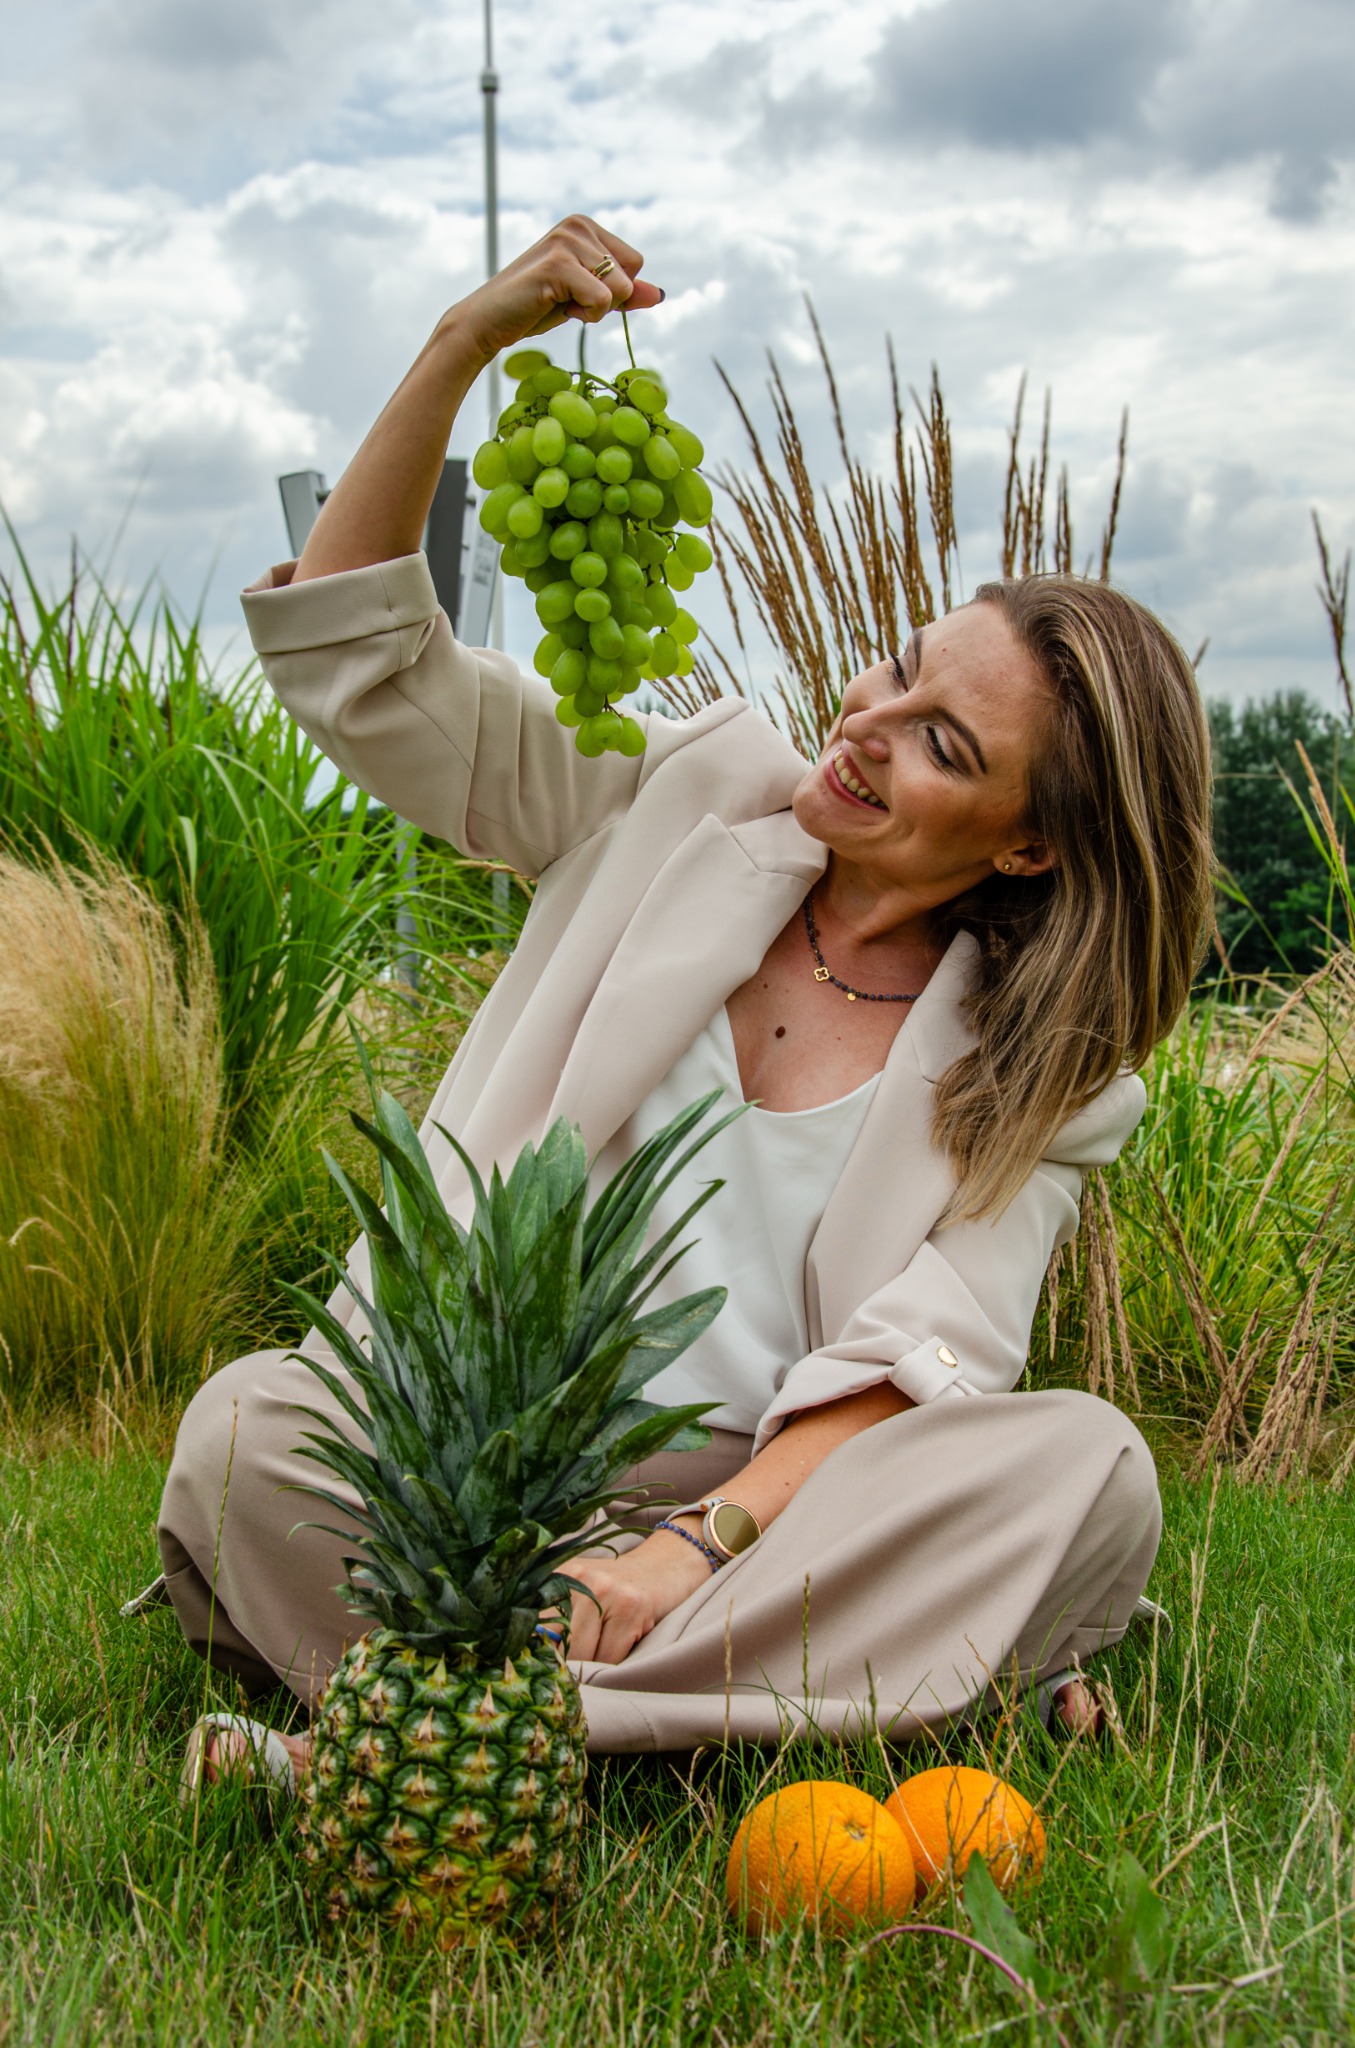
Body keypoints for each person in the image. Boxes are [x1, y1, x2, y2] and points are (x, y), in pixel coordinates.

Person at [158, 215, 1213, 1791]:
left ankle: (438, 1731)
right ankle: (795, 1709)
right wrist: (465, 339)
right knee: (247, 1433)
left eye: (943, 746)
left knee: (1092, 1472)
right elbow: (364, 668)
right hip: (480, 1470)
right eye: (896, 675)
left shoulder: (1045, 1078)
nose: (868, 729)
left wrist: (679, 1552)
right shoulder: (682, 792)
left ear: (1033, 839)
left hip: (769, 1524)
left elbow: (917, 1373)